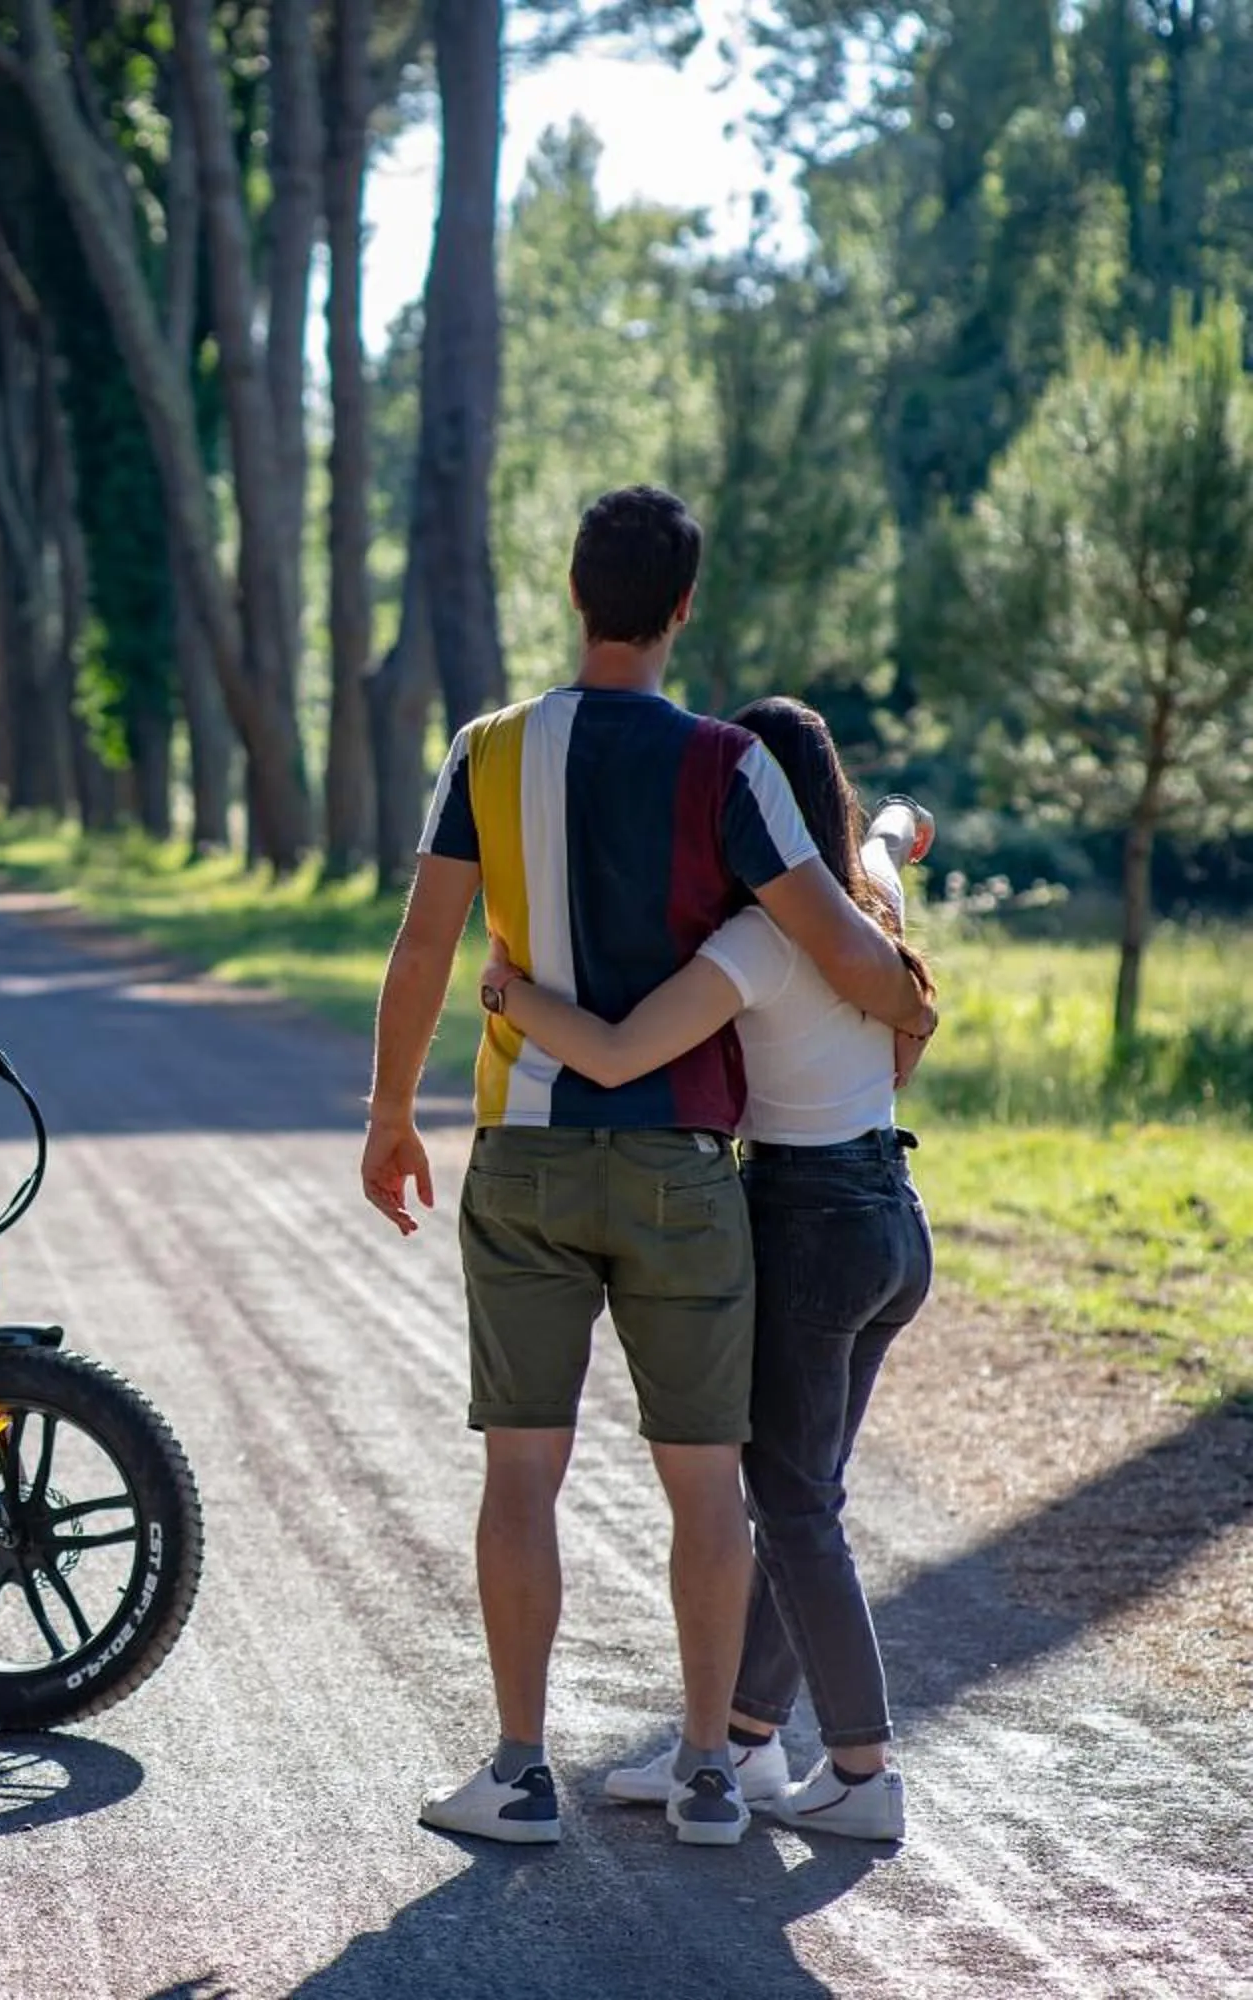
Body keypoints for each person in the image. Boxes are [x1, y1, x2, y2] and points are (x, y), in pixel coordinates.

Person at [359, 485, 937, 1849]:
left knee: (523, 1472)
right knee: (704, 1479)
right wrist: (912, 1000)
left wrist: (390, 1113)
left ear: (574, 592)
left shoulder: (485, 751)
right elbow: (843, 946)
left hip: (529, 1160)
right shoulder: (730, 765)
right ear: (683, 607)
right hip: (685, 1169)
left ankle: (518, 1772)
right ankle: (711, 1769)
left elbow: (425, 945)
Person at [482, 703, 935, 1843]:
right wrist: (901, 822)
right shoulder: (870, 903)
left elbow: (618, 1052)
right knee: (799, 1493)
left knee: (793, 1504)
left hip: (806, 1220)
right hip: (892, 1214)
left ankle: (864, 1766)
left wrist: (508, 995)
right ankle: (741, 1739)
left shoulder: (756, 941)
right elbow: (894, 835)